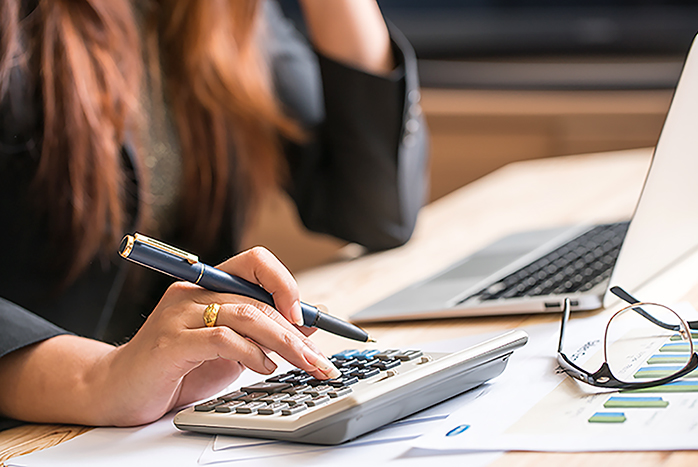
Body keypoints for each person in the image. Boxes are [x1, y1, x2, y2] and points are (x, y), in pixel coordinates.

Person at [0, 0, 428, 429]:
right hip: (38, 426)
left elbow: (375, 211)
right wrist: (95, 377)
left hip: (165, 418)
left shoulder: (227, 10)